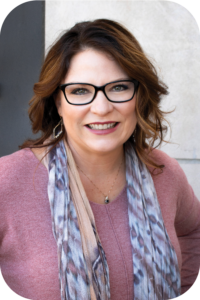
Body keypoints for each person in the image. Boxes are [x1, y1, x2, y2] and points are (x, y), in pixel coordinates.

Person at [0, 19, 199, 300]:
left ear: (138, 94)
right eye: (80, 91)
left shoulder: (164, 172)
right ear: (57, 102)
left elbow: (193, 232)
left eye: (118, 87)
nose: (102, 108)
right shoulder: (7, 181)